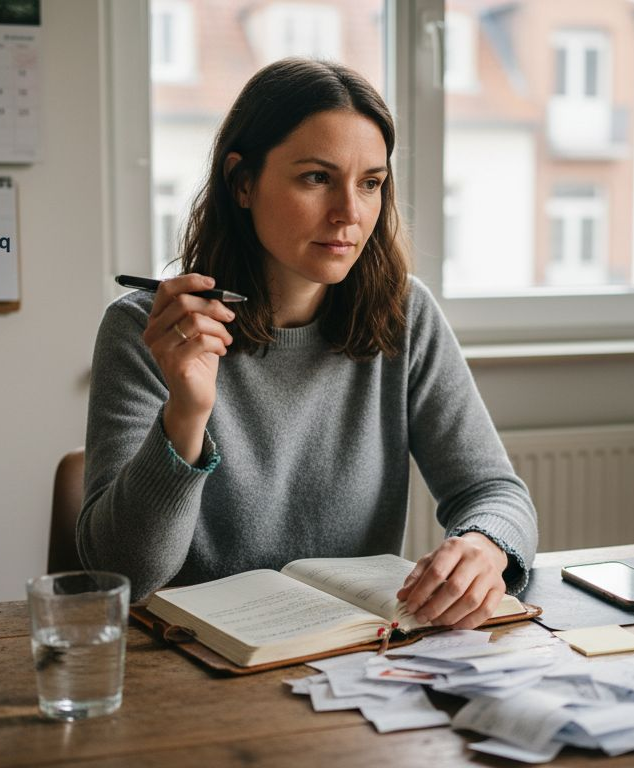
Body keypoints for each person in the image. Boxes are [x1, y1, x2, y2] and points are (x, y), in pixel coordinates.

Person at [78, 58, 536, 630]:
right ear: (242, 183)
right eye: (317, 178)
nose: (349, 213)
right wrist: (187, 413)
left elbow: (493, 490)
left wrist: (484, 546)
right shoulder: (147, 331)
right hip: (191, 668)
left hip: (353, 661)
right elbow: (122, 573)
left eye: (370, 183)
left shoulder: (405, 313)